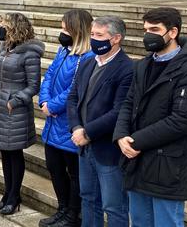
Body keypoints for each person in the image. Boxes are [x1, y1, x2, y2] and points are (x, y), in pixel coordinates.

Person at [113, 7, 187, 227]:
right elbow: (128, 103)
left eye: (155, 29)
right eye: (146, 29)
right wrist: (120, 135)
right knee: (139, 222)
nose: (148, 34)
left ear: (173, 32)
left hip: (167, 166)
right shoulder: (143, 65)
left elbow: (183, 119)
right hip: (136, 162)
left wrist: (136, 141)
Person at [67, 16, 134, 227]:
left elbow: (119, 111)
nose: (94, 39)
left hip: (108, 150)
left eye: (99, 35)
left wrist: (87, 132)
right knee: (88, 199)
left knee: (114, 207)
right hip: (84, 148)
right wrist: (77, 127)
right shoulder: (88, 62)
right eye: (92, 35)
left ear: (116, 38)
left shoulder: (128, 68)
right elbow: (73, 98)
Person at [39, 8, 94, 227]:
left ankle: (73, 215)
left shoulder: (87, 56)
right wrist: (44, 101)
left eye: (65, 29)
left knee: (74, 175)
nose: (62, 33)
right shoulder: (64, 51)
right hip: (52, 123)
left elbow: (75, 88)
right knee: (54, 169)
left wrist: (53, 105)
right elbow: (50, 75)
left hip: (69, 123)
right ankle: (61, 209)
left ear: (77, 30)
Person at [0, 13, 43, 215]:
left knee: (14, 153)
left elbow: (34, 85)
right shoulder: (6, 47)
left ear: (15, 27)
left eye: (4, 24)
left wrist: (15, 100)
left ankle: (14, 197)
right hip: (0, 104)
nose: (0, 27)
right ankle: (6, 193)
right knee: (4, 152)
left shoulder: (30, 54)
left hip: (14, 108)